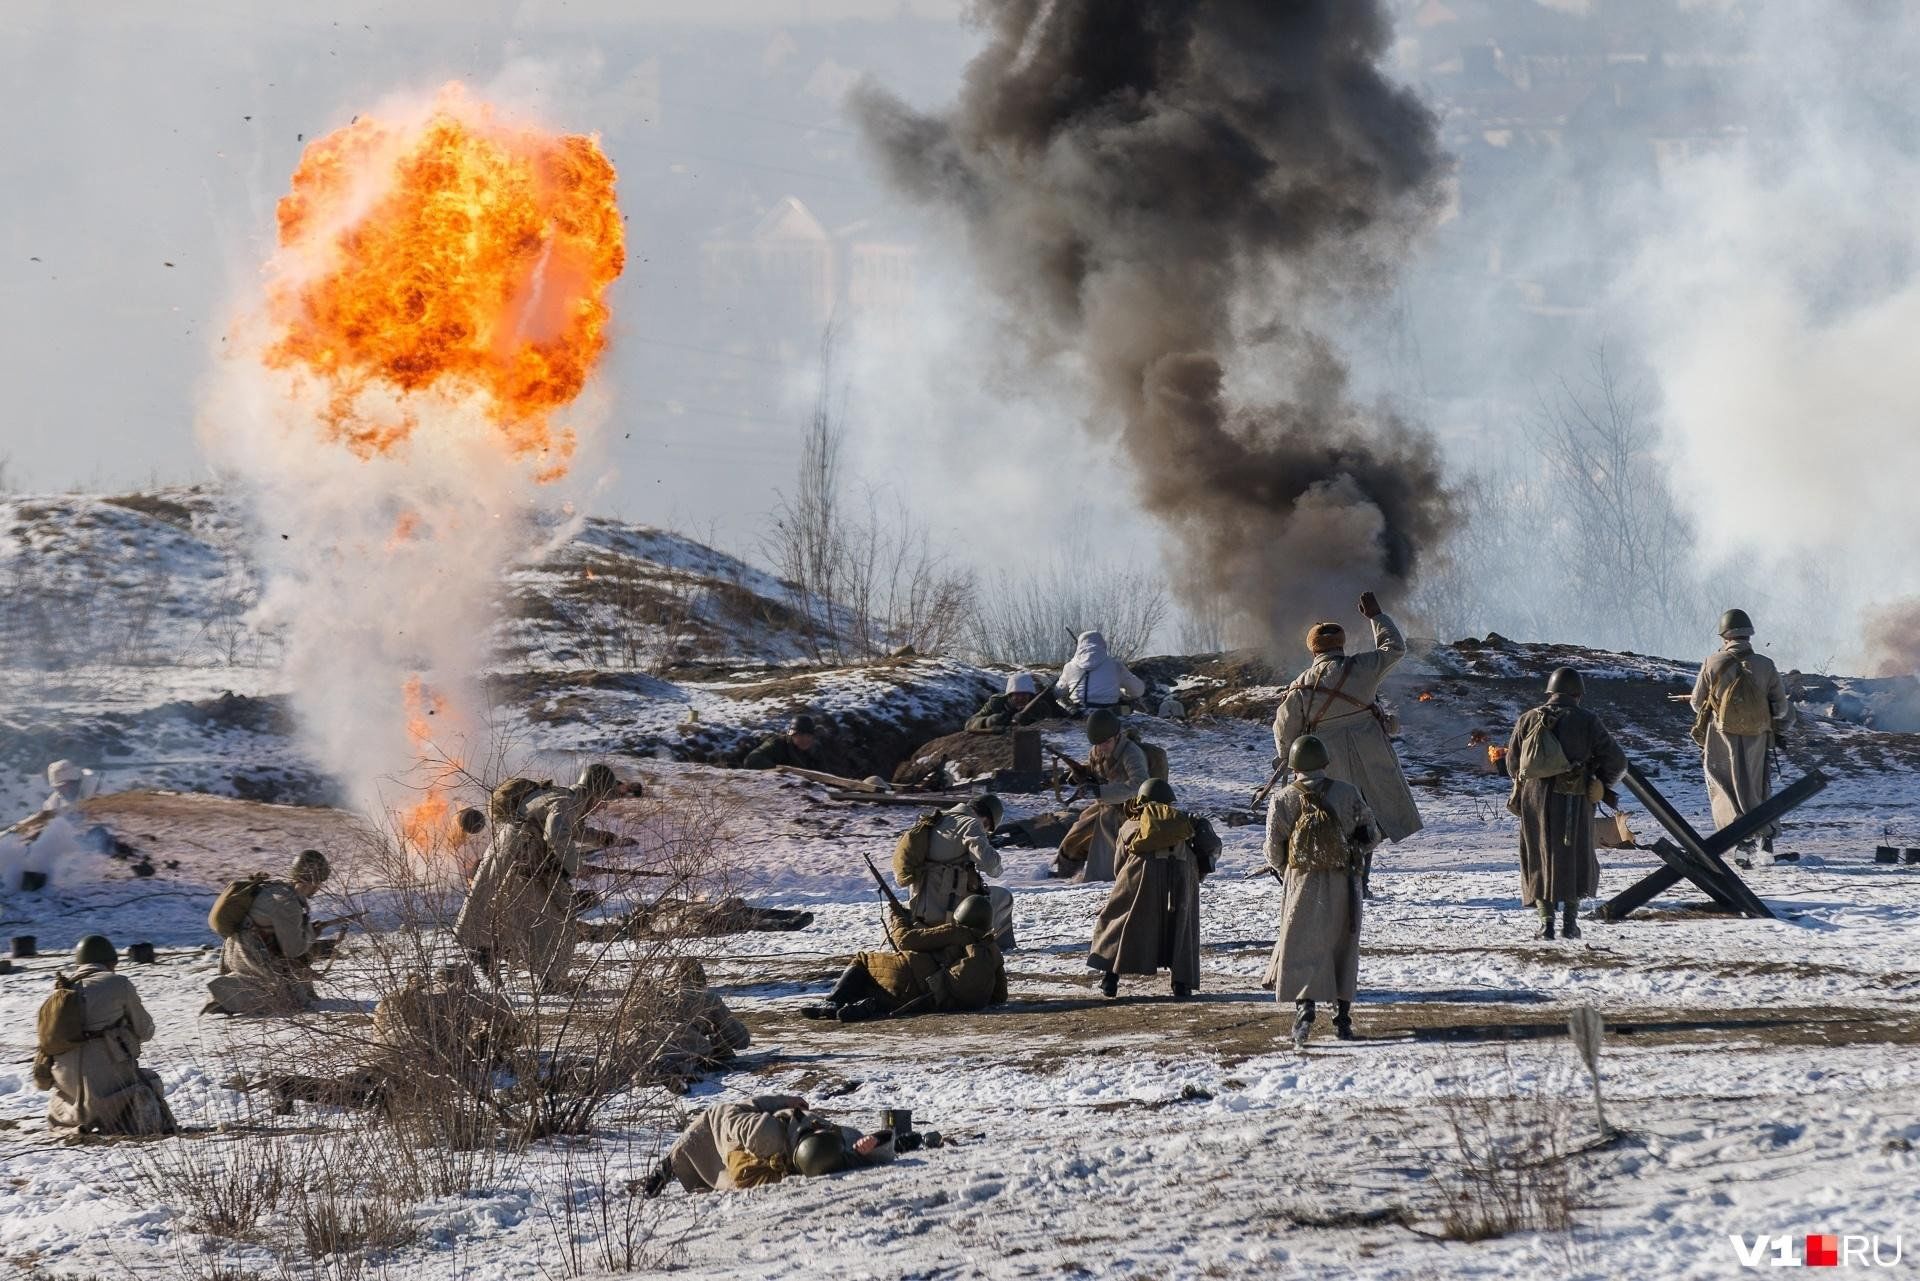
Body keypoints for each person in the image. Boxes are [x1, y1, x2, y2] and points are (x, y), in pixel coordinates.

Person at [1272, 592, 1421, 895]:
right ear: (1342, 644)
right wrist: (1377, 616)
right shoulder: (1362, 668)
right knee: (1369, 817)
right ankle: (1361, 879)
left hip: (1328, 760)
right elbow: (1394, 648)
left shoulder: (1302, 685)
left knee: (1338, 819)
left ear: (1313, 649)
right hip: (1372, 754)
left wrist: (1288, 758)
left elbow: (1285, 728)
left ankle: (1346, 880)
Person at [454, 765, 623, 992]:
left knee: (520, 915)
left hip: (519, 861)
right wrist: (577, 867)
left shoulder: (564, 799)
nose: (603, 807)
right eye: (604, 799)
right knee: (558, 920)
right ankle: (547, 978)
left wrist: (601, 838)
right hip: (522, 863)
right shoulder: (565, 801)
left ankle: (489, 952)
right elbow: (557, 834)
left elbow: (572, 830)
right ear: (596, 794)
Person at [1263, 735, 1379, 1048]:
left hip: (1301, 881)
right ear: (1326, 762)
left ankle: (1304, 1013)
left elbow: (1274, 848)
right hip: (1343, 880)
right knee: (1343, 945)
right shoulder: (1348, 792)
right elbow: (1371, 836)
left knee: (1302, 945)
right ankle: (1343, 1019)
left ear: (1294, 767)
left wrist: (1285, 868)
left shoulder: (1283, 798)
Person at [1506, 668, 1628, 940]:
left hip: (1534, 801)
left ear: (1550, 692)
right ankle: (1570, 925)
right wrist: (1600, 783)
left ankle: (1545, 924)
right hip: (1574, 798)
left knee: (1539, 856)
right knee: (1574, 858)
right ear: (1578, 694)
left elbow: (1512, 765)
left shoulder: (1527, 719)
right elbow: (1618, 762)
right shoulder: (1587, 720)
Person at [1087, 778, 1217, 1001]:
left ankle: (1110, 979)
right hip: (1182, 873)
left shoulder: (1131, 825)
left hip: (1140, 873)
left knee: (1120, 920)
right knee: (1182, 926)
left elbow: (1119, 865)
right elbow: (1207, 849)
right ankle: (1182, 984)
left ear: (1141, 800)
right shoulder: (1184, 823)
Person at [36, 935, 175, 1134]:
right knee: (151, 1081)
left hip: (68, 1098)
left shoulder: (58, 996)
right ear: (111, 962)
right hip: (108, 1089)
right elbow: (145, 1031)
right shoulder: (118, 983)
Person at [1690, 609, 1793, 867]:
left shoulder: (1711, 662)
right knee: (1757, 786)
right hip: (1758, 735)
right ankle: (1765, 838)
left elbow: (1695, 703)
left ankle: (1740, 839)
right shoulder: (1766, 665)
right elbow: (1780, 708)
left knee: (1725, 786)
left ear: (1725, 635)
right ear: (1749, 634)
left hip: (1720, 736)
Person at [798, 896, 1007, 1023]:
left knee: (863, 960)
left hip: (908, 974)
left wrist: (898, 917)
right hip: (930, 999)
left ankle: (832, 1003)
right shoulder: (992, 950)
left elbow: (904, 941)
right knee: (895, 989)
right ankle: (868, 1005)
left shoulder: (955, 931)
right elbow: (1000, 996)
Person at [642, 1095, 895, 1196]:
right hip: (749, 1150)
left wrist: (783, 1101)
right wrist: (877, 1141)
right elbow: (877, 1153)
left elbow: (729, 1114)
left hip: (740, 1155)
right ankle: (673, 1165)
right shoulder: (835, 1146)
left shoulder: (766, 1134)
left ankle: (669, 1165)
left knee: (714, 1115)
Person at [204, 849, 332, 1016]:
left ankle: (234, 991)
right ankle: (223, 995)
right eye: (320, 882)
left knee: (302, 994)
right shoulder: (288, 902)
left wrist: (307, 931)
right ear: (313, 880)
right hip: (250, 951)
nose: (320, 887)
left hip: (243, 948)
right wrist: (311, 934)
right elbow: (293, 949)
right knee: (286, 1002)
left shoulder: (279, 890)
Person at [1049, 709, 1153, 882]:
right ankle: (1065, 875)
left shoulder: (1131, 753)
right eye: (1099, 743)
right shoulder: (1096, 751)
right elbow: (1094, 768)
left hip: (1131, 810)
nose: (1103, 747)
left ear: (1117, 736)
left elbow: (1139, 786)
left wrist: (1099, 792)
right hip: (1106, 805)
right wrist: (1076, 776)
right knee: (1075, 836)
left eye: (1107, 742)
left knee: (1106, 845)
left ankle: (1105, 879)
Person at [902, 795, 1016, 951]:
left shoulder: (934, 820)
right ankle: (997, 948)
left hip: (918, 912)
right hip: (947, 915)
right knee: (1004, 897)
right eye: (987, 829)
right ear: (986, 821)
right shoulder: (971, 824)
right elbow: (991, 866)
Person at [642, 957, 753, 1091]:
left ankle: (654, 1070)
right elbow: (740, 1040)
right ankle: (668, 1069)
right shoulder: (706, 998)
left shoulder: (657, 997)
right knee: (692, 1054)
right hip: (684, 1039)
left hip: (647, 1042)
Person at [1055, 631, 1146, 715]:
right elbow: (1137, 690)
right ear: (1103, 644)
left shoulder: (1070, 666)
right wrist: (1122, 693)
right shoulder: (1115, 665)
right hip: (1109, 714)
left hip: (1079, 713)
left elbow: (1059, 692)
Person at [966, 672, 1065, 732]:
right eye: (1017, 694)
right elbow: (969, 724)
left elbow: (1055, 724)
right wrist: (988, 721)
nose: (1021, 698)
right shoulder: (997, 703)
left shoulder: (1040, 706)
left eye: (1024, 694)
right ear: (1010, 695)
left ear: (1030, 695)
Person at [742, 716, 821, 770]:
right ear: (792, 735)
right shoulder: (778, 744)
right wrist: (781, 771)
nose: (805, 739)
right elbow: (751, 759)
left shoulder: (815, 751)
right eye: (800, 735)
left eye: (808, 736)